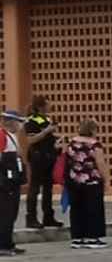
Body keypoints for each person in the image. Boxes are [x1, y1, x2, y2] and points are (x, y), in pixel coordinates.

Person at [65, 120, 111, 250]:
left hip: (74, 180)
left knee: (76, 209)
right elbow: (100, 163)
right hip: (91, 180)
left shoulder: (72, 143)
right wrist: (106, 179)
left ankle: (77, 238)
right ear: (92, 130)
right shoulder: (95, 145)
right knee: (93, 209)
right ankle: (92, 237)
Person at [23, 97, 60, 229]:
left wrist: (56, 141)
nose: (50, 107)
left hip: (49, 156)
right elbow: (31, 140)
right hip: (37, 157)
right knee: (34, 188)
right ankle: (31, 218)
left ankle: (48, 217)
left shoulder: (48, 119)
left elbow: (48, 137)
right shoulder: (31, 120)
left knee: (48, 189)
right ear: (40, 106)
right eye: (48, 105)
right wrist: (46, 131)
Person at [0, 111, 27, 256]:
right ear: (11, 122)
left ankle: (9, 243)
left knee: (12, 213)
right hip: (5, 181)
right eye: (19, 121)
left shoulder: (13, 137)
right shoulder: (2, 135)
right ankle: (2, 245)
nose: (21, 125)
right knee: (5, 214)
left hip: (13, 179)